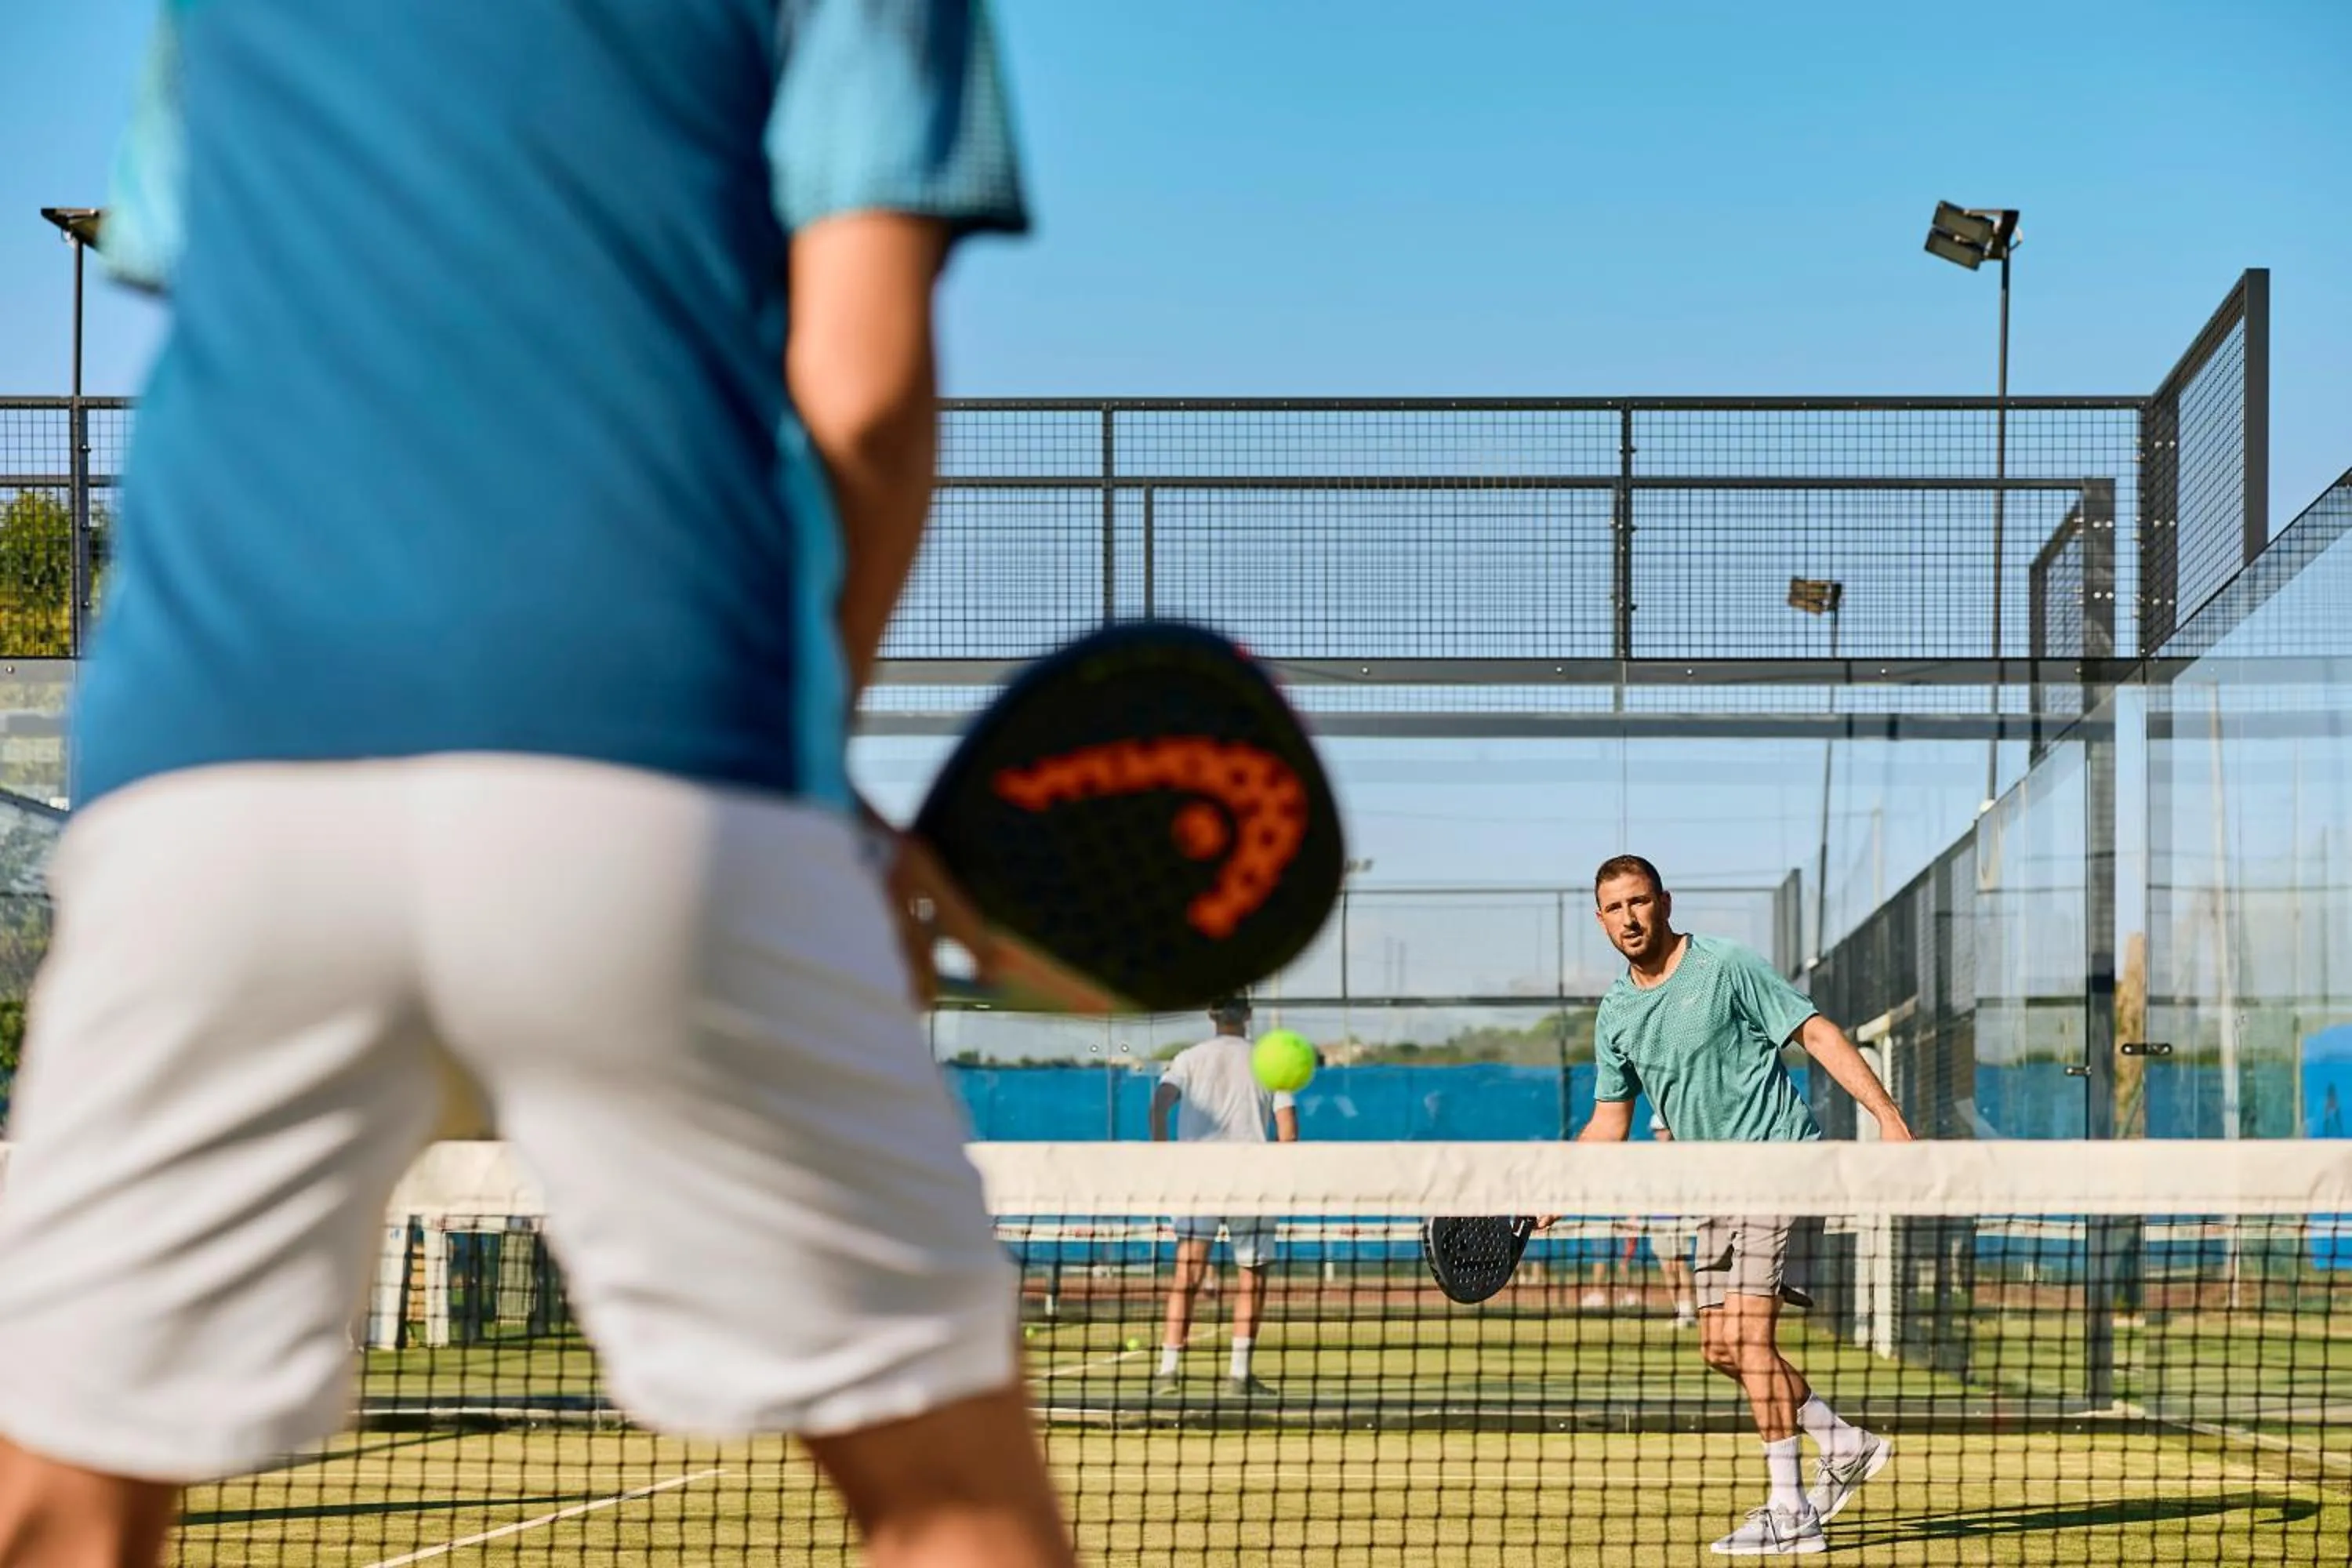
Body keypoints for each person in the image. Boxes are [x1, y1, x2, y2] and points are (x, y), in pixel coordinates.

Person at [0, 5, 1076, 1568]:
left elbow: (226, 280)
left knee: (58, 1514)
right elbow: (861, 395)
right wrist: (808, 776)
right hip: (651, 750)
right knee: (950, 1505)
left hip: (211, 755)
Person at [1568, 855, 1910, 1556]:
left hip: (1778, 1164)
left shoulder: (1726, 965)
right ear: (1600, 920)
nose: (1630, 918)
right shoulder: (1616, 1012)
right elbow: (1608, 1121)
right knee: (1721, 1346)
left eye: (1639, 901)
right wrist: (1558, 1188)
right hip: (1713, 1189)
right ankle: (1844, 1444)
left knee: (1751, 1339)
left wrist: (1888, 1117)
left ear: (1664, 902)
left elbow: (1816, 1032)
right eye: (1615, 908)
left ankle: (1792, 1511)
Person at [1149, 996, 1299, 1399]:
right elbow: (1288, 1131)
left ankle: (1168, 1372)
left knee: (1187, 1274)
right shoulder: (1271, 1062)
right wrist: (1278, 1176)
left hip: (1197, 1181)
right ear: (1248, 1014)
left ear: (1210, 1014)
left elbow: (1159, 1105)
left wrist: (1162, 1158)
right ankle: (1239, 1375)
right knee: (1252, 1275)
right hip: (1252, 1183)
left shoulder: (1187, 1059)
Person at [1646, 1114, 1700, 1329]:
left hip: (1680, 1220)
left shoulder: (1683, 1157)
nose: (1660, 1135)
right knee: (1667, 1267)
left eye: (1662, 1130)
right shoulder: (1651, 1161)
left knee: (1680, 1264)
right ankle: (1679, 1311)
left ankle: (1688, 1312)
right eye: (1656, 1131)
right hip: (1657, 1221)